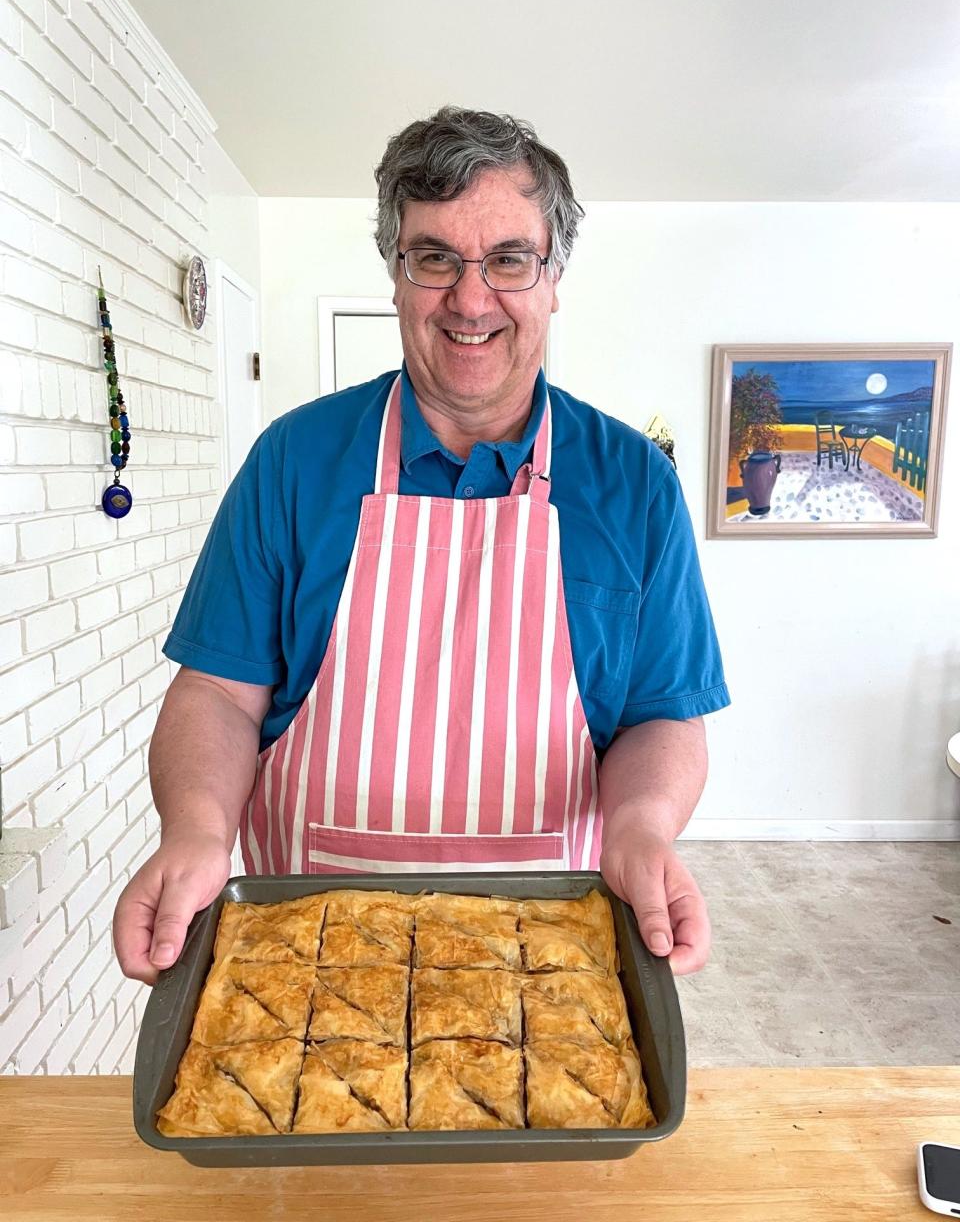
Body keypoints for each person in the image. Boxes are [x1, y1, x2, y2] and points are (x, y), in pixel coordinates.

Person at [114, 106, 730, 985]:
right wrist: (197, 831)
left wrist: (642, 830)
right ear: (396, 277)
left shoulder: (635, 485)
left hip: (549, 964)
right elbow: (216, 693)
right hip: (305, 951)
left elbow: (663, 715)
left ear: (553, 276)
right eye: (434, 258)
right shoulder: (295, 461)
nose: (471, 298)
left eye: (509, 260)